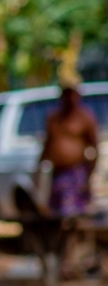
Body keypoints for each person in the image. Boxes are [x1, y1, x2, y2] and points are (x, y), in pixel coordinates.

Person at [41, 85, 98, 216]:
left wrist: (89, 173)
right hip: (57, 174)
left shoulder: (85, 118)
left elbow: (94, 147)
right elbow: (48, 143)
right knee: (56, 214)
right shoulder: (54, 118)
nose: (69, 98)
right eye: (66, 94)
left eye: (72, 94)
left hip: (76, 173)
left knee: (73, 213)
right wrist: (39, 168)